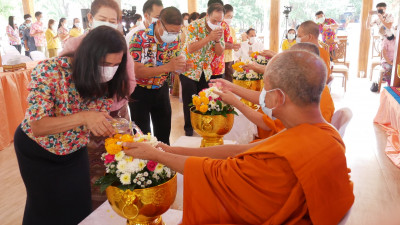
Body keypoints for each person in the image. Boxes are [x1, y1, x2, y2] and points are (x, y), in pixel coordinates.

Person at [123, 50, 355, 224]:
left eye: (265, 89)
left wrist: (155, 155)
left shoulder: (281, 161)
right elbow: (240, 152)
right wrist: (170, 150)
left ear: (278, 97)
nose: (261, 95)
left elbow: (214, 175)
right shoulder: (324, 135)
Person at [14, 26, 130, 225]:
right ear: (88, 56)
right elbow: (38, 126)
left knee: (80, 207)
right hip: (38, 150)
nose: (110, 70)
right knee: (45, 209)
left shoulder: (106, 79)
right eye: (105, 63)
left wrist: (106, 125)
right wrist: (85, 117)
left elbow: (95, 115)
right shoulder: (50, 71)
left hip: (74, 147)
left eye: (115, 65)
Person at [213, 42, 335, 139]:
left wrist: (236, 102)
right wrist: (232, 88)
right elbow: (264, 99)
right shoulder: (316, 88)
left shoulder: (297, 102)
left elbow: (266, 123)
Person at [60, 0, 136, 117]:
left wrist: (109, 106)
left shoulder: (120, 47)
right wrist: (90, 111)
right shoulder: (74, 44)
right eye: (102, 19)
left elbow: (129, 81)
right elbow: (66, 82)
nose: (106, 24)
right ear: (90, 17)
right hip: (81, 112)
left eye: (112, 21)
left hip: (115, 109)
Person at [129, 6, 187, 145]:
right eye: (171, 31)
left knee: (164, 133)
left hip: (161, 89)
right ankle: (145, 165)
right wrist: (168, 67)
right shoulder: (140, 38)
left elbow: (175, 64)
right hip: (139, 92)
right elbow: (137, 71)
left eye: (177, 32)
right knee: (142, 136)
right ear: (159, 23)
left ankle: (164, 164)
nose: (173, 35)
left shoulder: (176, 39)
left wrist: (181, 67)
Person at [181, 3, 226, 136]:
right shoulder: (194, 26)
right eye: (214, 21)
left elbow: (219, 52)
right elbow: (191, 48)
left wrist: (217, 40)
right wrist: (210, 37)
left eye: (220, 21)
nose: (217, 23)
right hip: (189, 69)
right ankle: (189, 129)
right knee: (190, 101)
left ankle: (202, 126)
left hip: (205, 70)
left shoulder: (220, 29)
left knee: (204, 100)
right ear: (207, 15)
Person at [207, 0, 232, 80]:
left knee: (217, 90)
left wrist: (218, 41)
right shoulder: (200, 23)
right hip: (202, 67)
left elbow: (228, 43)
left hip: (218, 67)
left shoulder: (224, 25)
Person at [223, 4, 241, 82]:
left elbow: (235, 47)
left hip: (230, 60)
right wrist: (232, 46)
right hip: (220, 60)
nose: (230, 19)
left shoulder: (232, 30)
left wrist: (237, 46)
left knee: (230, 81)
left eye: (231, 17)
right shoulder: (218, 28)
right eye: (228, 16)